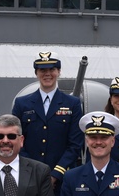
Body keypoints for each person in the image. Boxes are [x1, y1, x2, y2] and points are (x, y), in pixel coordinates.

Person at [11, 51, 83, 186]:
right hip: (29, 179)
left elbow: (75, 144)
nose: (47, 73)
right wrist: (33, 172)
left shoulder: (72, 104)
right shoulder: (22, 104)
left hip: (62, 180)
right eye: (42, 70)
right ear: (36, 73)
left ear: (59, 71)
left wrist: (55, 175)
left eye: (52, 69)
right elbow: (16, 140)